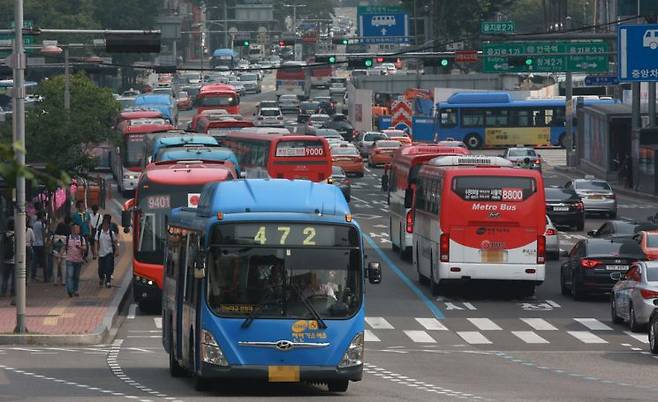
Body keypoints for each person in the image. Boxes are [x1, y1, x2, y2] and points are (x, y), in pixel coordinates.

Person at [95, 214, 119, 288]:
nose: (105, 226)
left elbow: (115, 241)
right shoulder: (99, 233)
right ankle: (101, 278)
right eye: (104, 224)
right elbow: (96, 241)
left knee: (108, 267)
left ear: (108, 225)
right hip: (101, 253)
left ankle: (108, 281)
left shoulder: (111, 233)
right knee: (101, 268)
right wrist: (96, 250)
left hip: (109, 253)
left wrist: (117, 250)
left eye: (107, 224)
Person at [64, 223, 87, 297]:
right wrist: (60, 255)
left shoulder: (81, 238)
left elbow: (85, 248)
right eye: (75, 229)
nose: (76, 230)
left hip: (78, 260)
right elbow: (64, 247)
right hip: (69, 260)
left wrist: (80, 248)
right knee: (69, 275)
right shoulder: (68, 238)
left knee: (76, 277)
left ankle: (75, 290)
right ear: (72, 229)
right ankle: (70, 290)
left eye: (77, 229)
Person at [51, 216, 70, 286]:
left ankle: (55, 281)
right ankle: (63, 281)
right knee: (63, 266)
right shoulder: (65, 237)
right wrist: (61, 254)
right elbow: (65, 246)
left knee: (55, 267)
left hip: (55, 252)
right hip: (63, 253)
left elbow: (51, 243)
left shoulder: (54, 236)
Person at [1, 219, 15, 304]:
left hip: (5, 259)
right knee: (14, 277)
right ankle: (12, 291)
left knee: (5, 277)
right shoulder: (17, 235)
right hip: (14, 259)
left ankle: (3, 291)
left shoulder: (4, 235)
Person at [31, 213, 48, 282]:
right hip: (41, 244)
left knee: (34, 261)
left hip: (35, 244)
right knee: (44, 261)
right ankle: (45, 276)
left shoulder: (34, 224)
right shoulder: (42, 225)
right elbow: (45, 233)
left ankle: (33, 275)